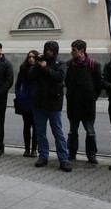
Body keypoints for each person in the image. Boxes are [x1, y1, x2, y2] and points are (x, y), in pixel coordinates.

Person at [29, 41, 72, 172]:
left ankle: (63, 159)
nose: (48, 52)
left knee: (58, 132)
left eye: (51, 50)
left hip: (54, 104)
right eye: (47, 50)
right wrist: (38, 65)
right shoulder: (40, 63)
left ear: (55, 51)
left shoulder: (60, 64)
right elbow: (30, 76)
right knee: (40, 132)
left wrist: (45, 68)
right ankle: (43, 156)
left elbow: (59, 77)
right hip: (39, 103)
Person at [65, 40, 102, 163]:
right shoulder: (69, 65)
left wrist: (91, 97)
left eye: (74, 50)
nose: (72, 52)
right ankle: (71, 152)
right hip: (73, 104)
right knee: (72, 131)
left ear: (81, 51)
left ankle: (91, 154)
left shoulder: (93, 65)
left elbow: (98, 85)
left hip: (87, 105)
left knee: (90, 131)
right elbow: (67, 82)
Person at [15, 50, 39, 157]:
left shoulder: (40, 69)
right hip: (26, 101)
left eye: (33, 57)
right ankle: (26, 149)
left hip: (37, 102)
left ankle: (34, 149)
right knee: (26, 126)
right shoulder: (24, 69)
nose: (31, 59)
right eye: (29, 57)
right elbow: (17, 85)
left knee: (36, 127)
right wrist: (20, 95)